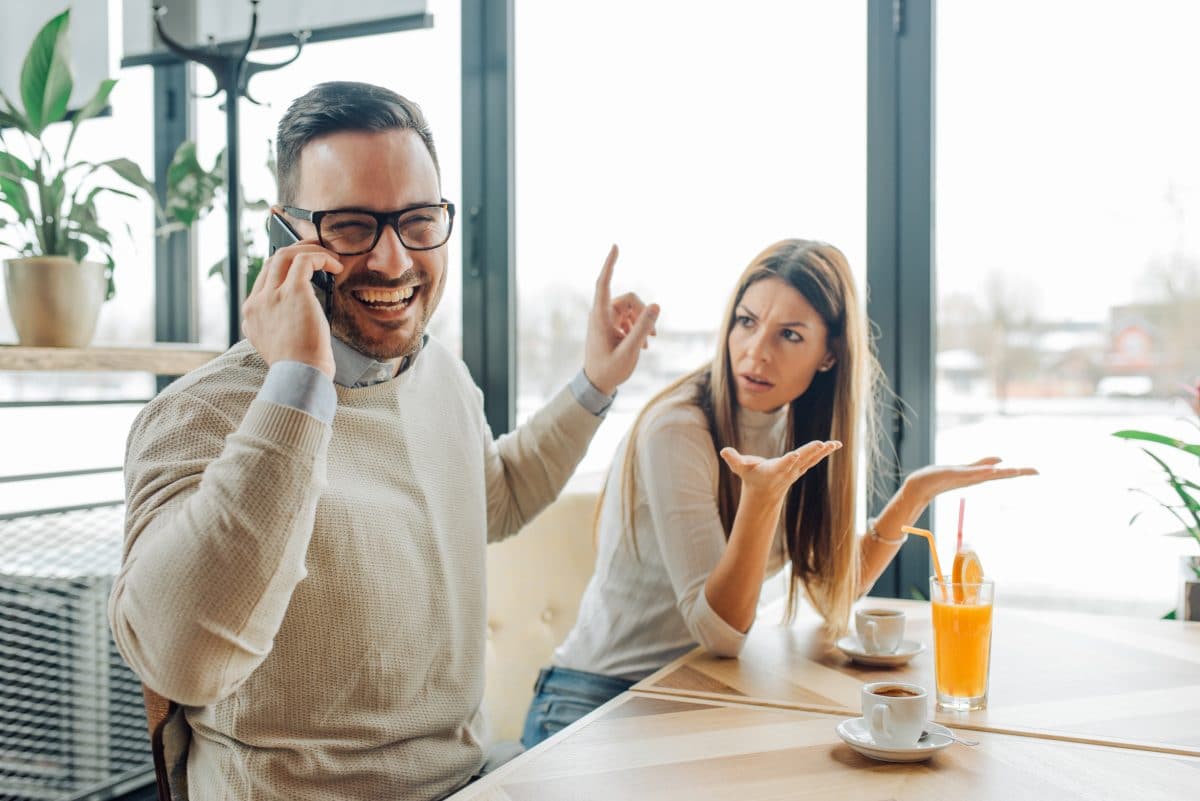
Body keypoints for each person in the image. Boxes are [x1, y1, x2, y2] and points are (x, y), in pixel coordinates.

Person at [108, 81, 659, 801]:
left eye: (418, 220)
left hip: (469, 781)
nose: (395, 260)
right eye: (351, 225)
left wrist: (593, 382)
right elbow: (181, 660)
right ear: (287, 233)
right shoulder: (196, 415)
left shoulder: (442, 378)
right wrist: (299, 386)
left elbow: (495, 498)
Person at [521, 239, 1037, 747]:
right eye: (746, 322)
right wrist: (761, 499)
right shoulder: (678, 428)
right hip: (595, 701)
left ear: (830, 355)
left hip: (700, 694)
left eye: (789, 334)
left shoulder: (796, 428)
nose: (755, 352)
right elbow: (719, 634)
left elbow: (833, 584)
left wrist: (910, 498)